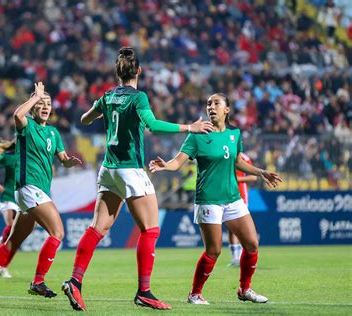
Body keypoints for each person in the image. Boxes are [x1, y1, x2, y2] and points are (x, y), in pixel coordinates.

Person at [61, 47, 214, 311]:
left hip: (108, 168)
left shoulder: (108, 96)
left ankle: (75, 281)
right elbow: (152, 125)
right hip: (130, 169)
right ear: (139, 71)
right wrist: (190, 127)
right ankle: (144, 291)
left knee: (97, 228)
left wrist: (103, 111)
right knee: (151, 229)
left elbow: (86, 120)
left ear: (116, 72)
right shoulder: (139, 97)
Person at [149, 93, 282, 305]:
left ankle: (244, 289)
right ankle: (194, 294)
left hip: (232, 197)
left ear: (227, 109)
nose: (211, 107)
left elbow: (238, 162)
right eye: (208, 103)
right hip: (208, 199)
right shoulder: (196, 135)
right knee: (214, 250)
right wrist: (166, 165)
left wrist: (260, 172)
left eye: (216, 103)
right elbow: (178, 162)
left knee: (251, 244)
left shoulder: (234, 134)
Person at [0, 82, 82, 306]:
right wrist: (34, 97)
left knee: (12, 243)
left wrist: (69, 163)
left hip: (35, 191)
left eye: (48, 104)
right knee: (57, 233)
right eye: (41, 103)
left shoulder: (53, 132)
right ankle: (38, 281)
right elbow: (17, 114)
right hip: (29, 187)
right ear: (34, 107)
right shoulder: (26, 125)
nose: (45, 106)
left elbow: (63, 158)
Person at [0, 138, 20, 278]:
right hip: (8, 195)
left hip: (23, 197)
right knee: (11, 225)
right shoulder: (8, 156)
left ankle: (3, 266)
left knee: (17, 235)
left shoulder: (31, 156)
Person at [228, 152, 257, 267]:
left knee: (239, 226)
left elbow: (253, 176)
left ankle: (240, 256)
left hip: (240, 195)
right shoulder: (225, 153)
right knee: (230, 228)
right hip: (226, 194)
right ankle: (235, 257)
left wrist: (237, 178)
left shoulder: (244, 158)